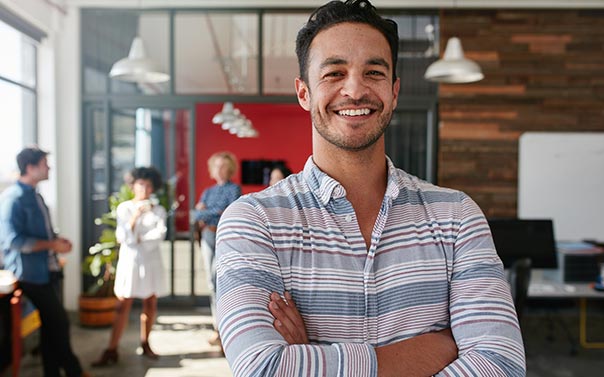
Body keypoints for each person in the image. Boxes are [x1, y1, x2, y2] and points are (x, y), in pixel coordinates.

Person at [215, 1, 526, 376]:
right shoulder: (252, 221)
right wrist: (437, 348)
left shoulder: (456, 217)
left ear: (394, 91)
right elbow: (262, 368)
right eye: (334, 73)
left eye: (374, 72)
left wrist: (311, 358)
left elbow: (501, 364)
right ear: (304, 93)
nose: (355, 89)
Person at [0, 146, 91, 377]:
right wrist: (52, 245)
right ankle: (74, 370)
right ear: (30, 168)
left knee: (51, 327)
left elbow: (41, 234)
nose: (49, 167)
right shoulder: (13, 198)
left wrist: (57, 241)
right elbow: (13, 240)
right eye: (44, 164)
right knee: (59, 322)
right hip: (28, 273)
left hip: (47, 269)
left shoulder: (35, 194)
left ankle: (53, 372)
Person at [92, 166, 167, 366]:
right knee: (122, 304)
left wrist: (137, 237)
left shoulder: (159, 210)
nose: (145, 189)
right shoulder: (124, 208)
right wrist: (136, 219)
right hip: (130, 262)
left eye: (149, 185)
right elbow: (123, 237)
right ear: (133, 186)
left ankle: (146, 342)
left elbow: (159, 236)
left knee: (150, 303)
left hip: (150, 262)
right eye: (141, 184)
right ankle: (112, 348)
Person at [192, 151, 241, 346]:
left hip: (224, 237)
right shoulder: (208, 191)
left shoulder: (234, 189)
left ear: (229, 169)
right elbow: (196, 216)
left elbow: (227, 212)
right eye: (217, 166)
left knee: (219, 279)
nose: (220, 170)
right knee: (211, 283)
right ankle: (218, 328)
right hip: (207, 237)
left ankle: (228, 327)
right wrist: (207, 212)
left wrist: (206, 211)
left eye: (223, 166)